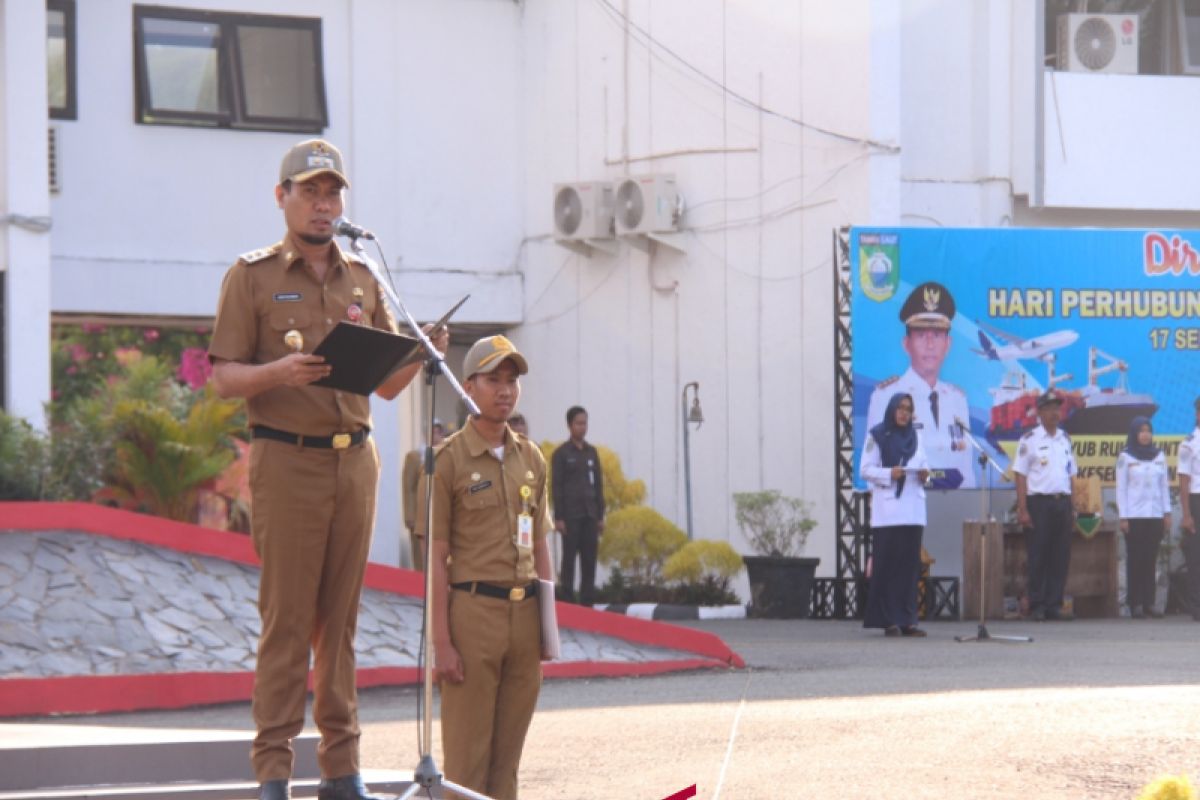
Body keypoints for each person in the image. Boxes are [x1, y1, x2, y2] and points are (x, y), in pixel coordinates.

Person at [208, 138, 449, 800]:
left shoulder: (365, 277)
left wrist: (425, 348)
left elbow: (392, 386)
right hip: (287, 458)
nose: (323, 204)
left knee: (341, 624)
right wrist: (278, 372)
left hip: (354, 462)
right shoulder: (251, 276)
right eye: (310, 191)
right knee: (288, 621)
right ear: (282, 197)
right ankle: (274, 774)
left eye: (333, 192)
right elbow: (224, 378)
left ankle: (342, 772)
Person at [420, 335, 554, 800]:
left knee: (507, 763)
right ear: (469, 386)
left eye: (511, 380)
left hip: (523, 619)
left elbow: (540, 545)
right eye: (493, 379)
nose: (505, 390)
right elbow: (435, 558)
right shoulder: (447, 460)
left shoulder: (532, 458)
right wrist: (441, 642)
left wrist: (547, 627)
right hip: (473, 616)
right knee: (466, 764)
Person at [866, 281, 975, 488]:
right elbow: (874, 466)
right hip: (907, 503)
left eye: (937, 335)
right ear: (906, 343)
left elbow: (966, 472)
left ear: (948, 344)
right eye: (921, 335)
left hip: (953, 506)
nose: (930, 344)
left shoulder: (957, 399)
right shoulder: (886, 396)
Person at [859, 393, 930, 636]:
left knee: (909, 569)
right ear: (891, 409)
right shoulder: (878, 435)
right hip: (888, 512)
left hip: (913, 511)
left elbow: (925, 465)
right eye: (900, 408)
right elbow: (866, 470)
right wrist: (890, 473)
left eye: (908, 409)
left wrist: (924, 475)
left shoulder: (917, 436)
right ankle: (888, 620)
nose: (904, 413)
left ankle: (908, 619)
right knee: (888, 568)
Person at [1014, 390, 1078, 622]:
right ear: (1039, 412)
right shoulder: (1029, 440)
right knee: (1038, 555)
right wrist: (1023, 509)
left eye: (1057, 408)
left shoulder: (1065, 439)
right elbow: (1020, 475)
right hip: (1038, 503)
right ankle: (1037, 604)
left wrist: (1074, 506)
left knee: (1060, 556)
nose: (1054, 413)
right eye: (1049, 408)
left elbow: (1071, 473)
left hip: (1062, 502)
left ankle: (1054, 604)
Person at [1115, 417, 1170, 619]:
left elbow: (1164, 486)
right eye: (1141, 430)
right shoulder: (1126, 457)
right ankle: (1135, 603)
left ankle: (1149, 602)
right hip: (1134, 516)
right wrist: (1123, 517)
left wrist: (1167, 513)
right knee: (1135, 559)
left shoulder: (1159, 456)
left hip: (1154, 515)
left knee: (1150, 559)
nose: (1145, 434)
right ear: (1134, 433)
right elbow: (1121, 489)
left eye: (1148, 430)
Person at [551, 406, 606, 605]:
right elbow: (556, 487)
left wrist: (600, 516)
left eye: (585, 423)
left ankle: (587, 602)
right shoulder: (561, 454)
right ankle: (567, 601)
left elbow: (598, 485)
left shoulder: (592, 453)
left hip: (590, 515)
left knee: (589, 560)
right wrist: (558, 517)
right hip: (570, 517)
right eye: (579, 423)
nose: (583, 427)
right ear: (569, 425)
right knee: (569, 562)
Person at [402, 418, 446, 570]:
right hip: (420, 515)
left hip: (441, 515)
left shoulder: (448, 456)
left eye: (438, 432)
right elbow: (408, 488)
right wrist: (410, 516)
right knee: (420, 557)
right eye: (432, 432)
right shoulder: (414, 457)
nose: (435, 436)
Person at [1176, 397, 1200, 622]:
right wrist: (1186, 514)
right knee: (1197, 557)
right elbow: (1183, 480)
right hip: (1197, 501)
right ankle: (1197, 606)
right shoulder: (1189, 443)